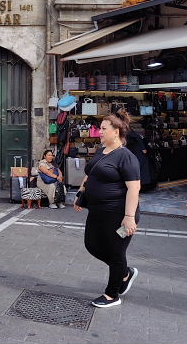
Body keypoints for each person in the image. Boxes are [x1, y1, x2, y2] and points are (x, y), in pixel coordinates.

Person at [74, 111, 141, 308]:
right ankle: (125, 273)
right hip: (97, 211)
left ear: (116, 131)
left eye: (103, 129)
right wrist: (80, 193)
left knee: (116, 252)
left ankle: (112, 295)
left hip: (119, 215)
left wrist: (129, 217)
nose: (99, 132)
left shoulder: (126, 157)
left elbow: (134, 188)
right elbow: (90, 174)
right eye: (100, 128)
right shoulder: (101, 151)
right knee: (91, 245)